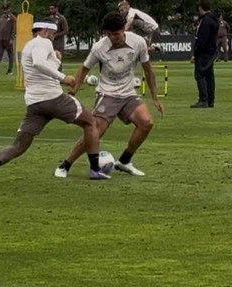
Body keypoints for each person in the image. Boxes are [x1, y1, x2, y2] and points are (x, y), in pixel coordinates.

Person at [0, 20, 109, 182]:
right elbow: (39, 62)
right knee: (91, 123)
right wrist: (63, 77)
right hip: (54, 98)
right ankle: (95, 169)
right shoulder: (43, 42)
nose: (53, 37)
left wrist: (56, 60)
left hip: (35, 104)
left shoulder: (28, 46)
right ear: (45, 31)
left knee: (18, 146)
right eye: (52, 34)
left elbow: (40, 67)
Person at [55, 11, 164, 178]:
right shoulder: (99, 47)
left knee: (146, 122)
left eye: (117, 34)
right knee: (96, 130)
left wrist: (155, 97)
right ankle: (66, 165)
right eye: (109, 34)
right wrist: (73, 92)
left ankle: (124, 161)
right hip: (107, 94)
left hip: (128, 94)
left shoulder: (138, 42)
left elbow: (148, 71)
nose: (113, 37)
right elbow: (84, 69)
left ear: (124, 29)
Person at [191, 0, 219, 108]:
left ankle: (203, 99)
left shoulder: (205, 21)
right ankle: (210, 100)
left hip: (204, 52)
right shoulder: (214, 19)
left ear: (200, 8)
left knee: (200, 74)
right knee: (209, 75)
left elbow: (202, 39)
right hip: (211, 51)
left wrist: (195, 53)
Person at [0, 4, 17, 74]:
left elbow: (14, 29)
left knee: (10, 54)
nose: (5, 11)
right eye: (4, 9)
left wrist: (12, 38)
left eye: (6, 9)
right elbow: (0, 27)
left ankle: (10, 69)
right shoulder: (2, 17)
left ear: (9, 9)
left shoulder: (12, 18)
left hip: (8, 38)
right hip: (1, 38)